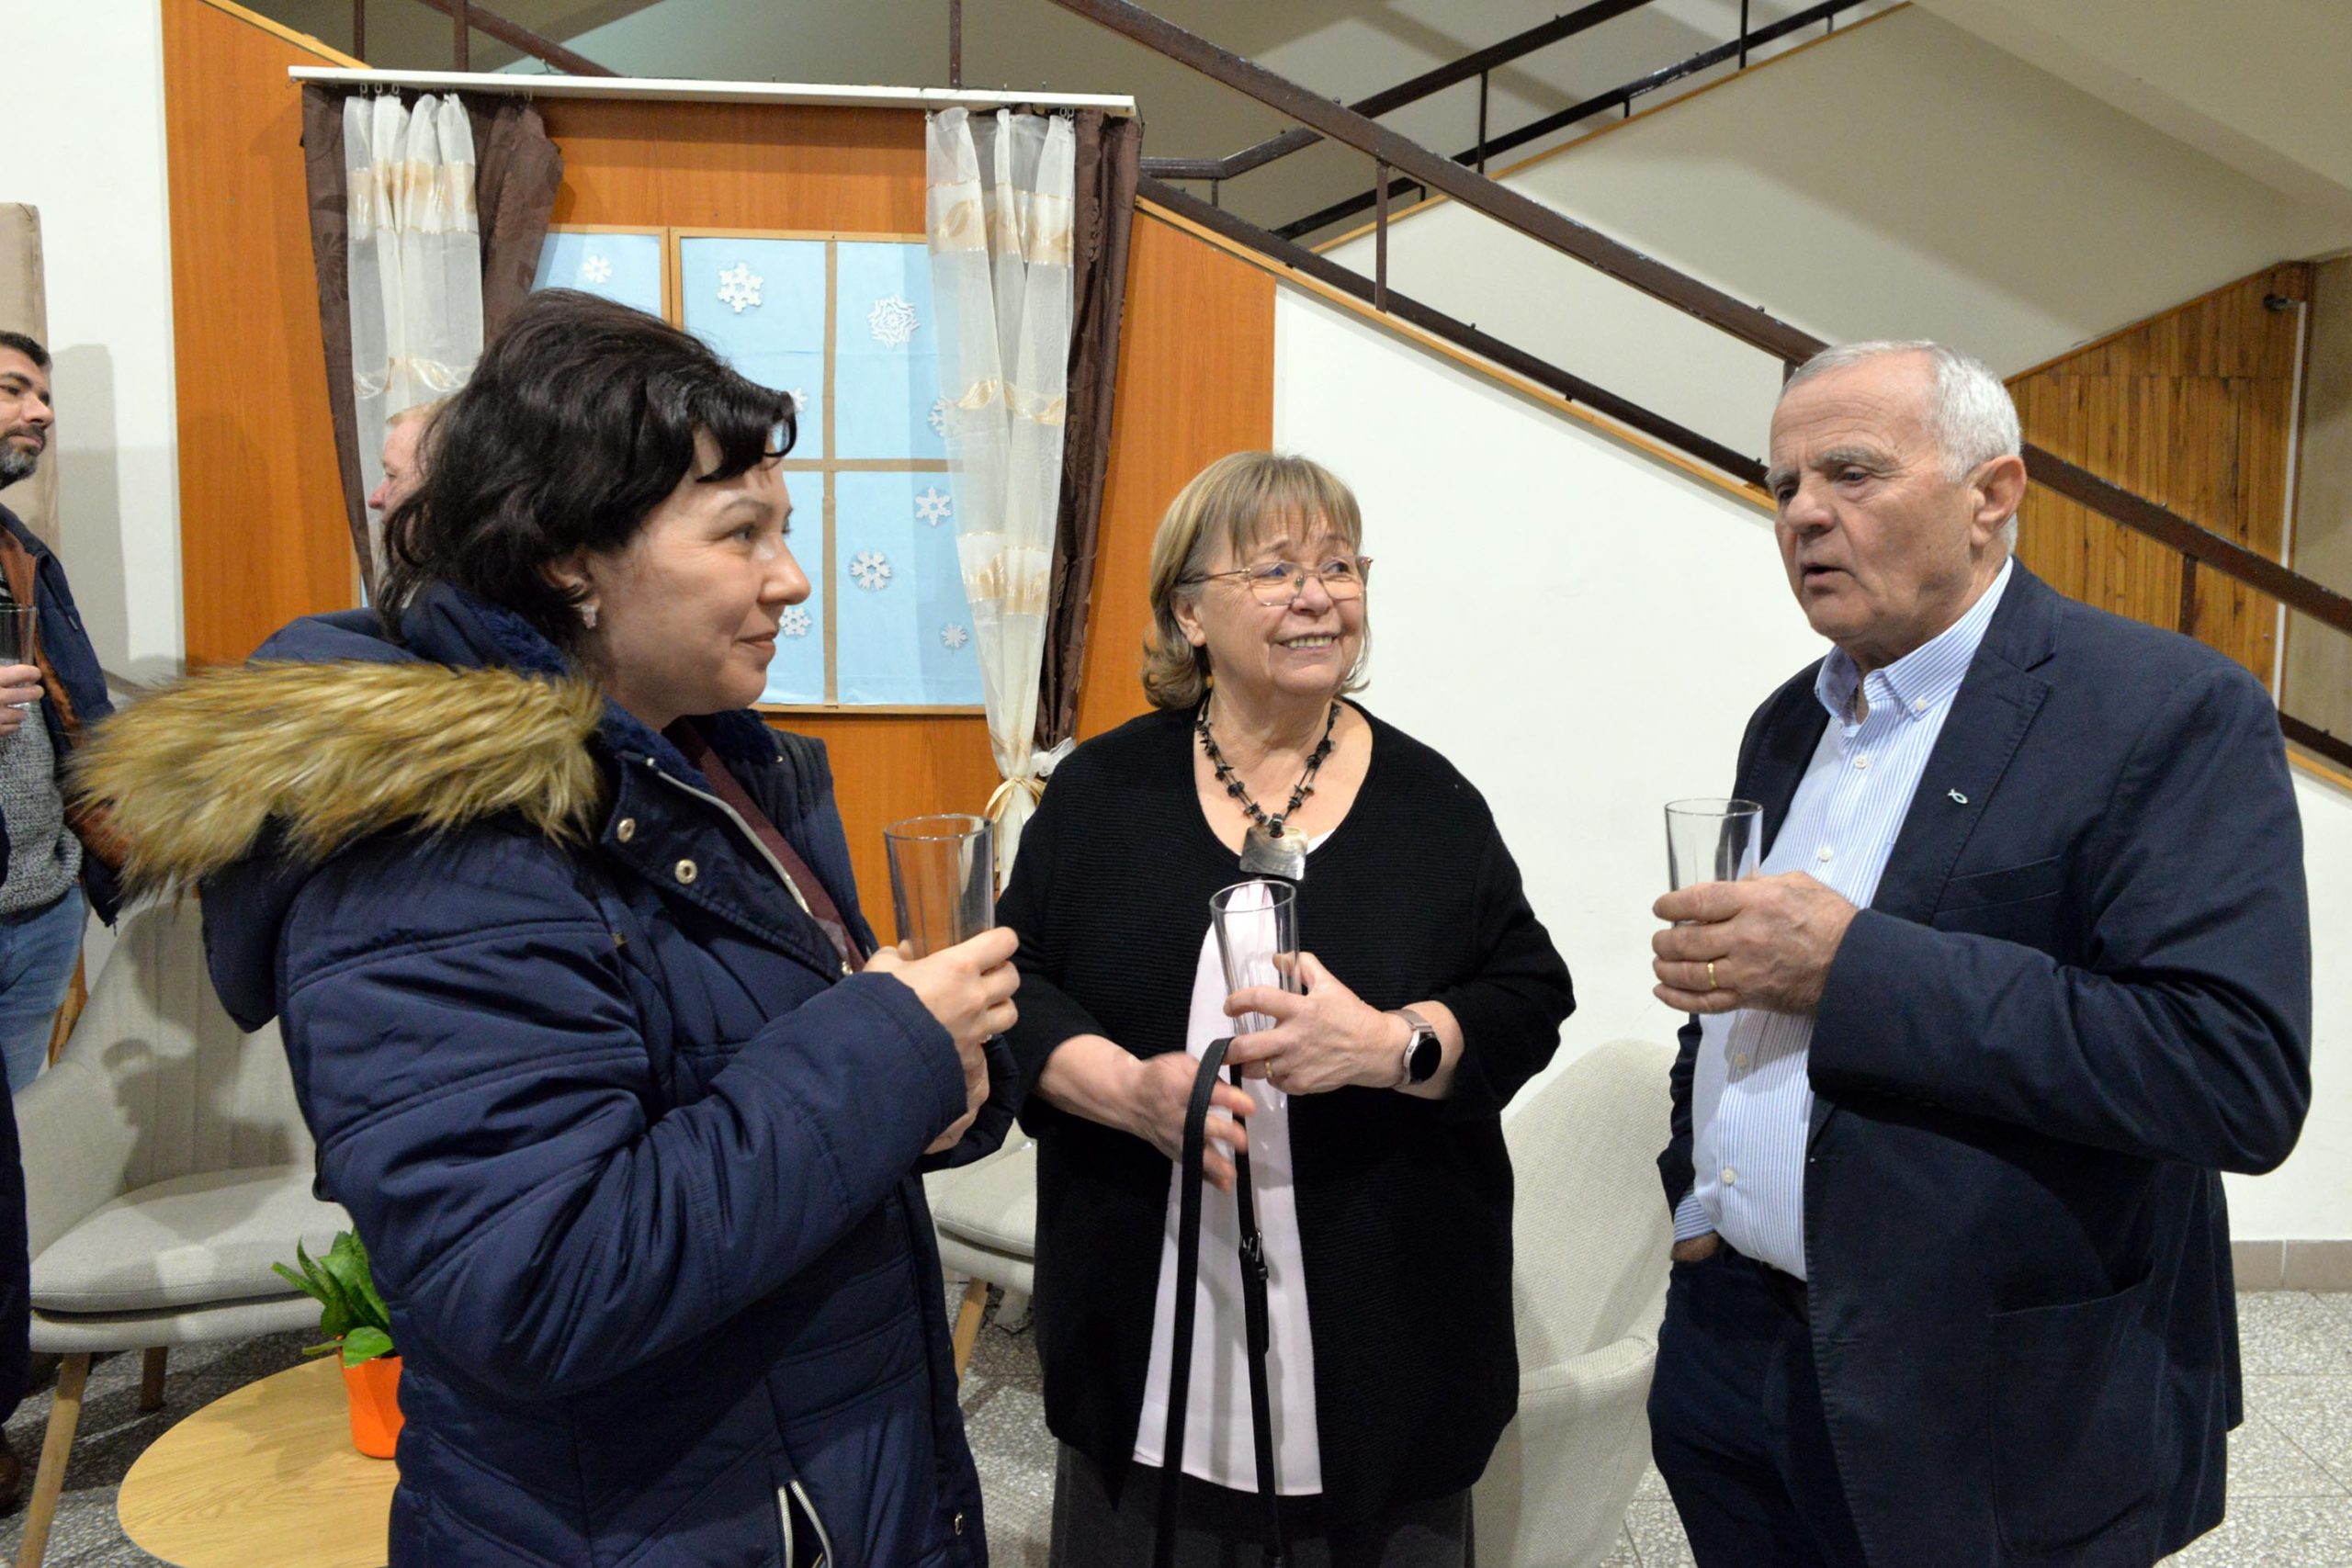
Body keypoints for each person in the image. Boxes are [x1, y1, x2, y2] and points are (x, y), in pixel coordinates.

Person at [76, 291, 1018, 1567]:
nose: (789, 578)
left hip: (805, 1467)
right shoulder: (432, 842)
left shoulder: (705, 767)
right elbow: (536, 1280)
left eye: (785, 530)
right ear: (571, 556)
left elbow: (761, 1097)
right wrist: (887, 1047)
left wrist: (929, 1077)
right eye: (741, 532)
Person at [1646, 340, 2312, 1568]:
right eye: (1783, 484)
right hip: (1736, 1356)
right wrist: (1697, 1196)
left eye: (1851, 471)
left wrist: (1852, 969)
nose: (1804, 514)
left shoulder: (2164, 708)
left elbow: (2231, 1070)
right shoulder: (1790, 720)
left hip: (1995, 1407)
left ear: (1992, 494)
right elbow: (1733, 992)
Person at [998, 451, 1575, 1566]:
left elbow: (1527, 995)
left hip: (1383, 1345)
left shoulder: (1432, 804)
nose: (1317, 596)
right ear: (1189, 614)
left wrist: (1393, 1045)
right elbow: (1012, 984)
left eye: (1338, 566)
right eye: (1273, 571)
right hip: (1143, 1328)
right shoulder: (1100, 794)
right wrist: (1125, 1091)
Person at [0, 329, 125, 1512]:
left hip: (36, 904)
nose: (38, 413)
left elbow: (77, 714)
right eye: (12, 389)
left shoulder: (21, 551)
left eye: (43, 395)